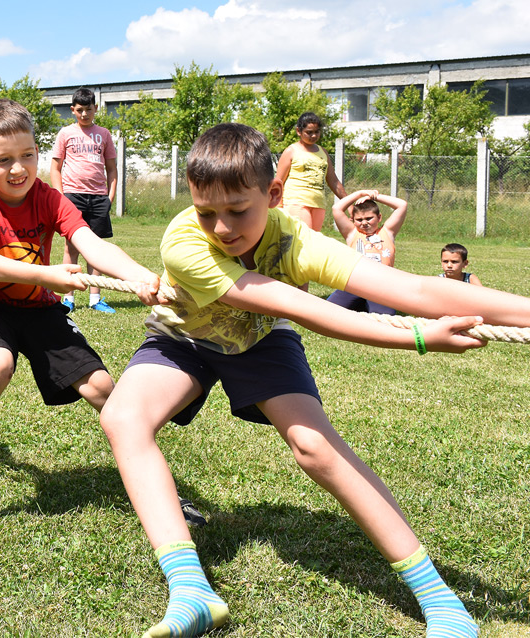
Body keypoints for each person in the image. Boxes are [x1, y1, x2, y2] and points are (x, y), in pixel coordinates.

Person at [100, 122, 530, 637]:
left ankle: (443, 606)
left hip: (261, 340)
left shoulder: (297, 240)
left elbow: (410, 289)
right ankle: (191, 590)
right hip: (185, 337)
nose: (221, 227)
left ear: (273, 194)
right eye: (206, 210)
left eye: (238, 210)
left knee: (315, 447)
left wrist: (524, 311)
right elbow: (299, 306)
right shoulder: (182, 244)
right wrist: (418, 339)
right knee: (124, 419)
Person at [0, 99, 203, 535]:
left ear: (39, 150)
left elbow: (93, 246)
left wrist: (143, 278)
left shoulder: (51, 198)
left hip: (40, 308)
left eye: (28, 155)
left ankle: (157, 487)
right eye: (4, 160)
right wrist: (46, 274)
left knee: (102, 387)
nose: (19, 169)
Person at [50, 87, 119, 314]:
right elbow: (55, 167)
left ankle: (95, 298)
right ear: (73, 110)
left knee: (96, 248)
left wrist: (109, 198)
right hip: (72, 196)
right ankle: (68, 298)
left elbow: (112, 170)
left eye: (88, 110)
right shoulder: (65, 133)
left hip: (99, 198)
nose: (84, 115)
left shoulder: (104, 134)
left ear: (95, 109)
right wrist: (60, 196)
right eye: (79, 110)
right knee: (71, 247)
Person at [325, 189, 409, 314]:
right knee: (328, 311)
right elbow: (337, 208)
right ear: (352, 220)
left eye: (369, 218)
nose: (364, 223)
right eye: (359, 220)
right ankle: (361, 303)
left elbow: (402, 205)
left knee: (383, 318)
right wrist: (360, 193)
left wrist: (375, 197)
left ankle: (365, 305)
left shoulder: (387, 232)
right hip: (355, 285)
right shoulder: (352, 234)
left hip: (380, 286)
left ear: (379, 217)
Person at [276, 112, 346, 232]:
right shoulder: (291, 151)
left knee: (313, 243)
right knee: (303, 240)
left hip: (318, 204)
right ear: (299, 131)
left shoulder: (323, 152)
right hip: (296, 202)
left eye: (317, 132)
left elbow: (333, 181)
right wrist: (278, 207)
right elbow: (278, 181)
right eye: (309, 132)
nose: (313, 135)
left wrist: (348, 203)